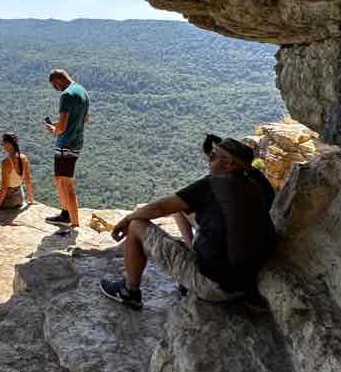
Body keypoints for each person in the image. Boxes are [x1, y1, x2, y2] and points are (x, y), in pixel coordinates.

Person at [100, 138, 273, 310]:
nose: (209, 159)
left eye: (213, 156)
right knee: (182, 207)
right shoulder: (254, 186)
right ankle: (192, 254)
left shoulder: (212, 185)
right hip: (246, 282)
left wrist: (127, 219)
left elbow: (160, 207)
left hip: (214, 285)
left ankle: (129, 291)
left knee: (136, 225)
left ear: (228, 163)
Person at [44, 68, 89, 234]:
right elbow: (85, 118)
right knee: (60, 179)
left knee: (66, 182)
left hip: (65, 144)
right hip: (77, 141)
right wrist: (59, 125)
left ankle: (74, 222)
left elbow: (61, 127)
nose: (57, 89)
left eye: (55, 86)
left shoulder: (66, 95)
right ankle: (65, 213)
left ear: (59, 80)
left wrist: (53, 129)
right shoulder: (82, 91)